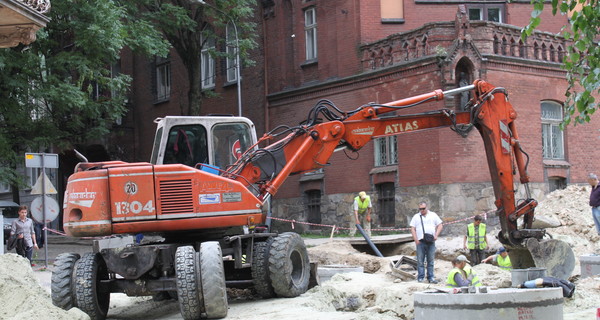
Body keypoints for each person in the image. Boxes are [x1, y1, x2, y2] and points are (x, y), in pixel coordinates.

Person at [410, 201, 444, 283]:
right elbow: (412, 228)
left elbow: (440, 225)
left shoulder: (433, 215)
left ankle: (430, 277)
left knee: (430, 260)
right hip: (420, 241)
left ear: (427, 207)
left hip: (430, 240)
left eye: (423, 208)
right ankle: (421, 277)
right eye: (420, 209)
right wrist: (416, 240)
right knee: (420, 260)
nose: (422, 210)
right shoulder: (416, 217)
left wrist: (436, 235)